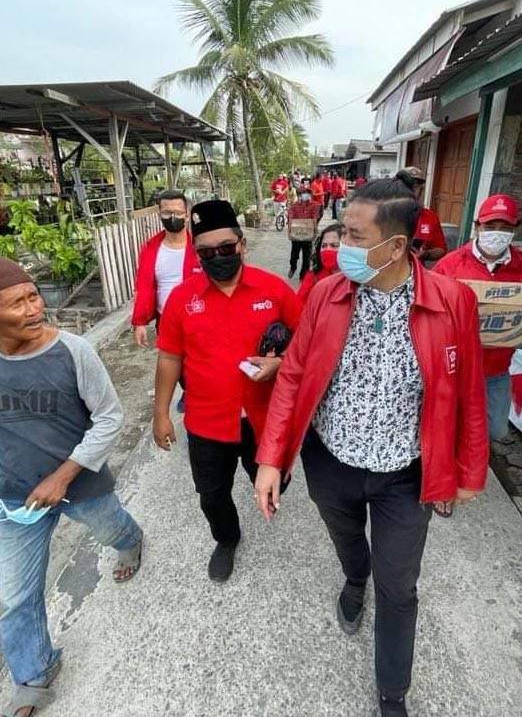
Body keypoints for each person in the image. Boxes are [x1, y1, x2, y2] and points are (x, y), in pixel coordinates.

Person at [254, 179, 488, 717]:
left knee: (399, 586)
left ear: (397, 245)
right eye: (342, 233)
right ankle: (354, 577)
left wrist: (469, 470)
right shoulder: (326, 293)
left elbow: (470, 391)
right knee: (345, 539)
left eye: (356, 237)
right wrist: (271, 459)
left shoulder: (452, 302)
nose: (342, 246)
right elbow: (292, 376)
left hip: (405, 474)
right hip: (330, 461)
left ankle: (392, 692)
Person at [0, 257, 143, 717]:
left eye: (34, 296)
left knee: (112, 530)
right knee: (16, 595)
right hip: (16, 492)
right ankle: (34, 674)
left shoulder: (73, 351)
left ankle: (132, 542)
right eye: (16, 303)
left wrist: (63, 474)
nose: (34, 308)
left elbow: (109, 417)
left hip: (82, 482)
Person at [153, 199, 301, 582]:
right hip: (206, 422)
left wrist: (280, 364)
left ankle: (267, 490)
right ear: (196, 254)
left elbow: (307, 346)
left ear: (242, 245)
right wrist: (161, 413)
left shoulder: (274, 290)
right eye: (206, 252)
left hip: (263, 419)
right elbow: (169, 358)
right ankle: (227, 539)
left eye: (225, 248)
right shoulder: (182, 299)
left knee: (274, 479)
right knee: (212, 493)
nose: (217, 257)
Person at [434, 193, 522, 440]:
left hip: (496, 370)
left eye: (505, 227)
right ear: (477, 226)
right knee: (449, 427)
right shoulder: (450, 265)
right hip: (454, 368)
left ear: (515, 229)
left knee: (495, 430)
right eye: (491, 225)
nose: (497, 233)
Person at [132, 189, 200, 349]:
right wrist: (139, 323)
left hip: (197, 319)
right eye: (167, 213)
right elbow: (144, 287)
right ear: (159, 215)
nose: (172, 217)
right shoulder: (150, 249)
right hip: (165, 321)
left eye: (178, 212)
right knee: (169, 362)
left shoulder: (200, 248)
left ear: (187, 215)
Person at [396, 168, 447, 264]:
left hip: (416, 270)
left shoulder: (430, 217)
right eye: (406, 186)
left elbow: (441, 249)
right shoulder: (383, 213)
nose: (410, 190)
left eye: (415, 186)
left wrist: (426, 254)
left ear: (421, 190)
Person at [296, 223, 342, 306]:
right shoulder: (313, 276)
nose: (328, 249)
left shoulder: (354, 279)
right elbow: (298, 305)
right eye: (324, 245)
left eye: (334, 245)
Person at [288, 184, 318, 280]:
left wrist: (315, 231)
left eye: (308, 193)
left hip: (308, 234)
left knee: (307, 256)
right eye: (304, 193)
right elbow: (290, 218)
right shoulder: (295, 205)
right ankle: (293, 267)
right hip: (296, 234)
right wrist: (289, 231)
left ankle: (303, 275)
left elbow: (314, 218)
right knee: (294, 255)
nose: (306, 195)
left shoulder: (314, 205)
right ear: (300, 195)